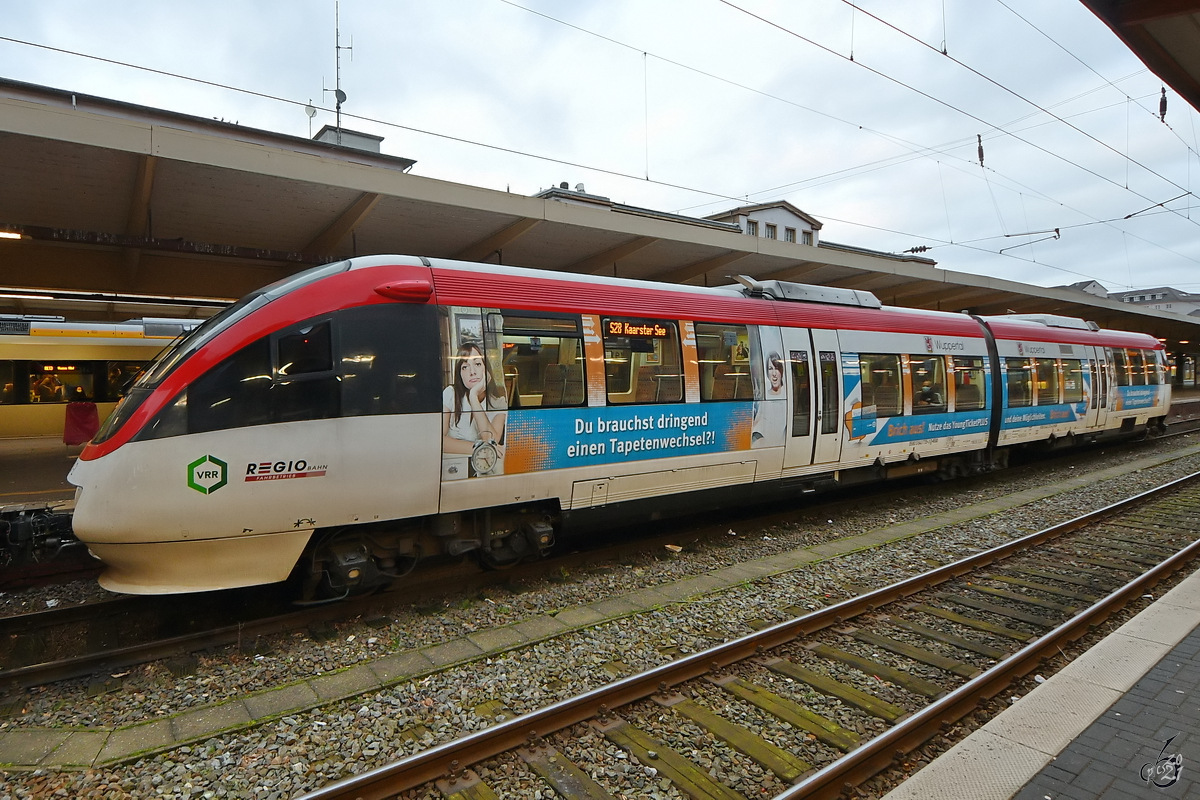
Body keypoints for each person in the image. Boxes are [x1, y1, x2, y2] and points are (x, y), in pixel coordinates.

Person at [442, 341, 508, 477]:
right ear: (459, 374)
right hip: (453, 468)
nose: (472, 372)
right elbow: (439, 441)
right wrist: (479, 448)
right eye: (465, 367)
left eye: (477, 364)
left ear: (486, 369)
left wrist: (474, 397)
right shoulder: (450, 393)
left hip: (485, 469)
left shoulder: (499, 402)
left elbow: (491, 439)